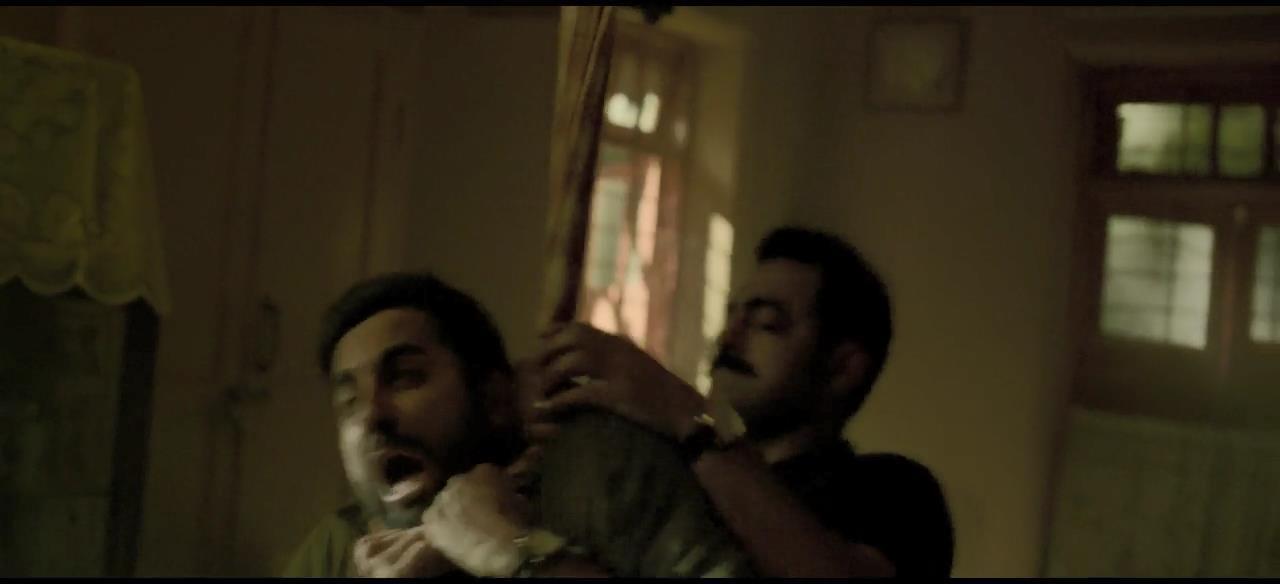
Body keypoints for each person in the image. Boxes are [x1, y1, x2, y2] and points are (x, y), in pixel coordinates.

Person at [529, 226, 955, 577]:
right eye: (731, 315)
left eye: (767, 323)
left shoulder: (893, 492)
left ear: (842, 368)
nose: (728, 337)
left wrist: (684, 412)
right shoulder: (678, 473)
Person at [282, 272, 753, 578]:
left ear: (494, 398)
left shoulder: (605, 473)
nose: (372, 415)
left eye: (406, 377)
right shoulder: (335, 548)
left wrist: (516, 553)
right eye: (348, 401)